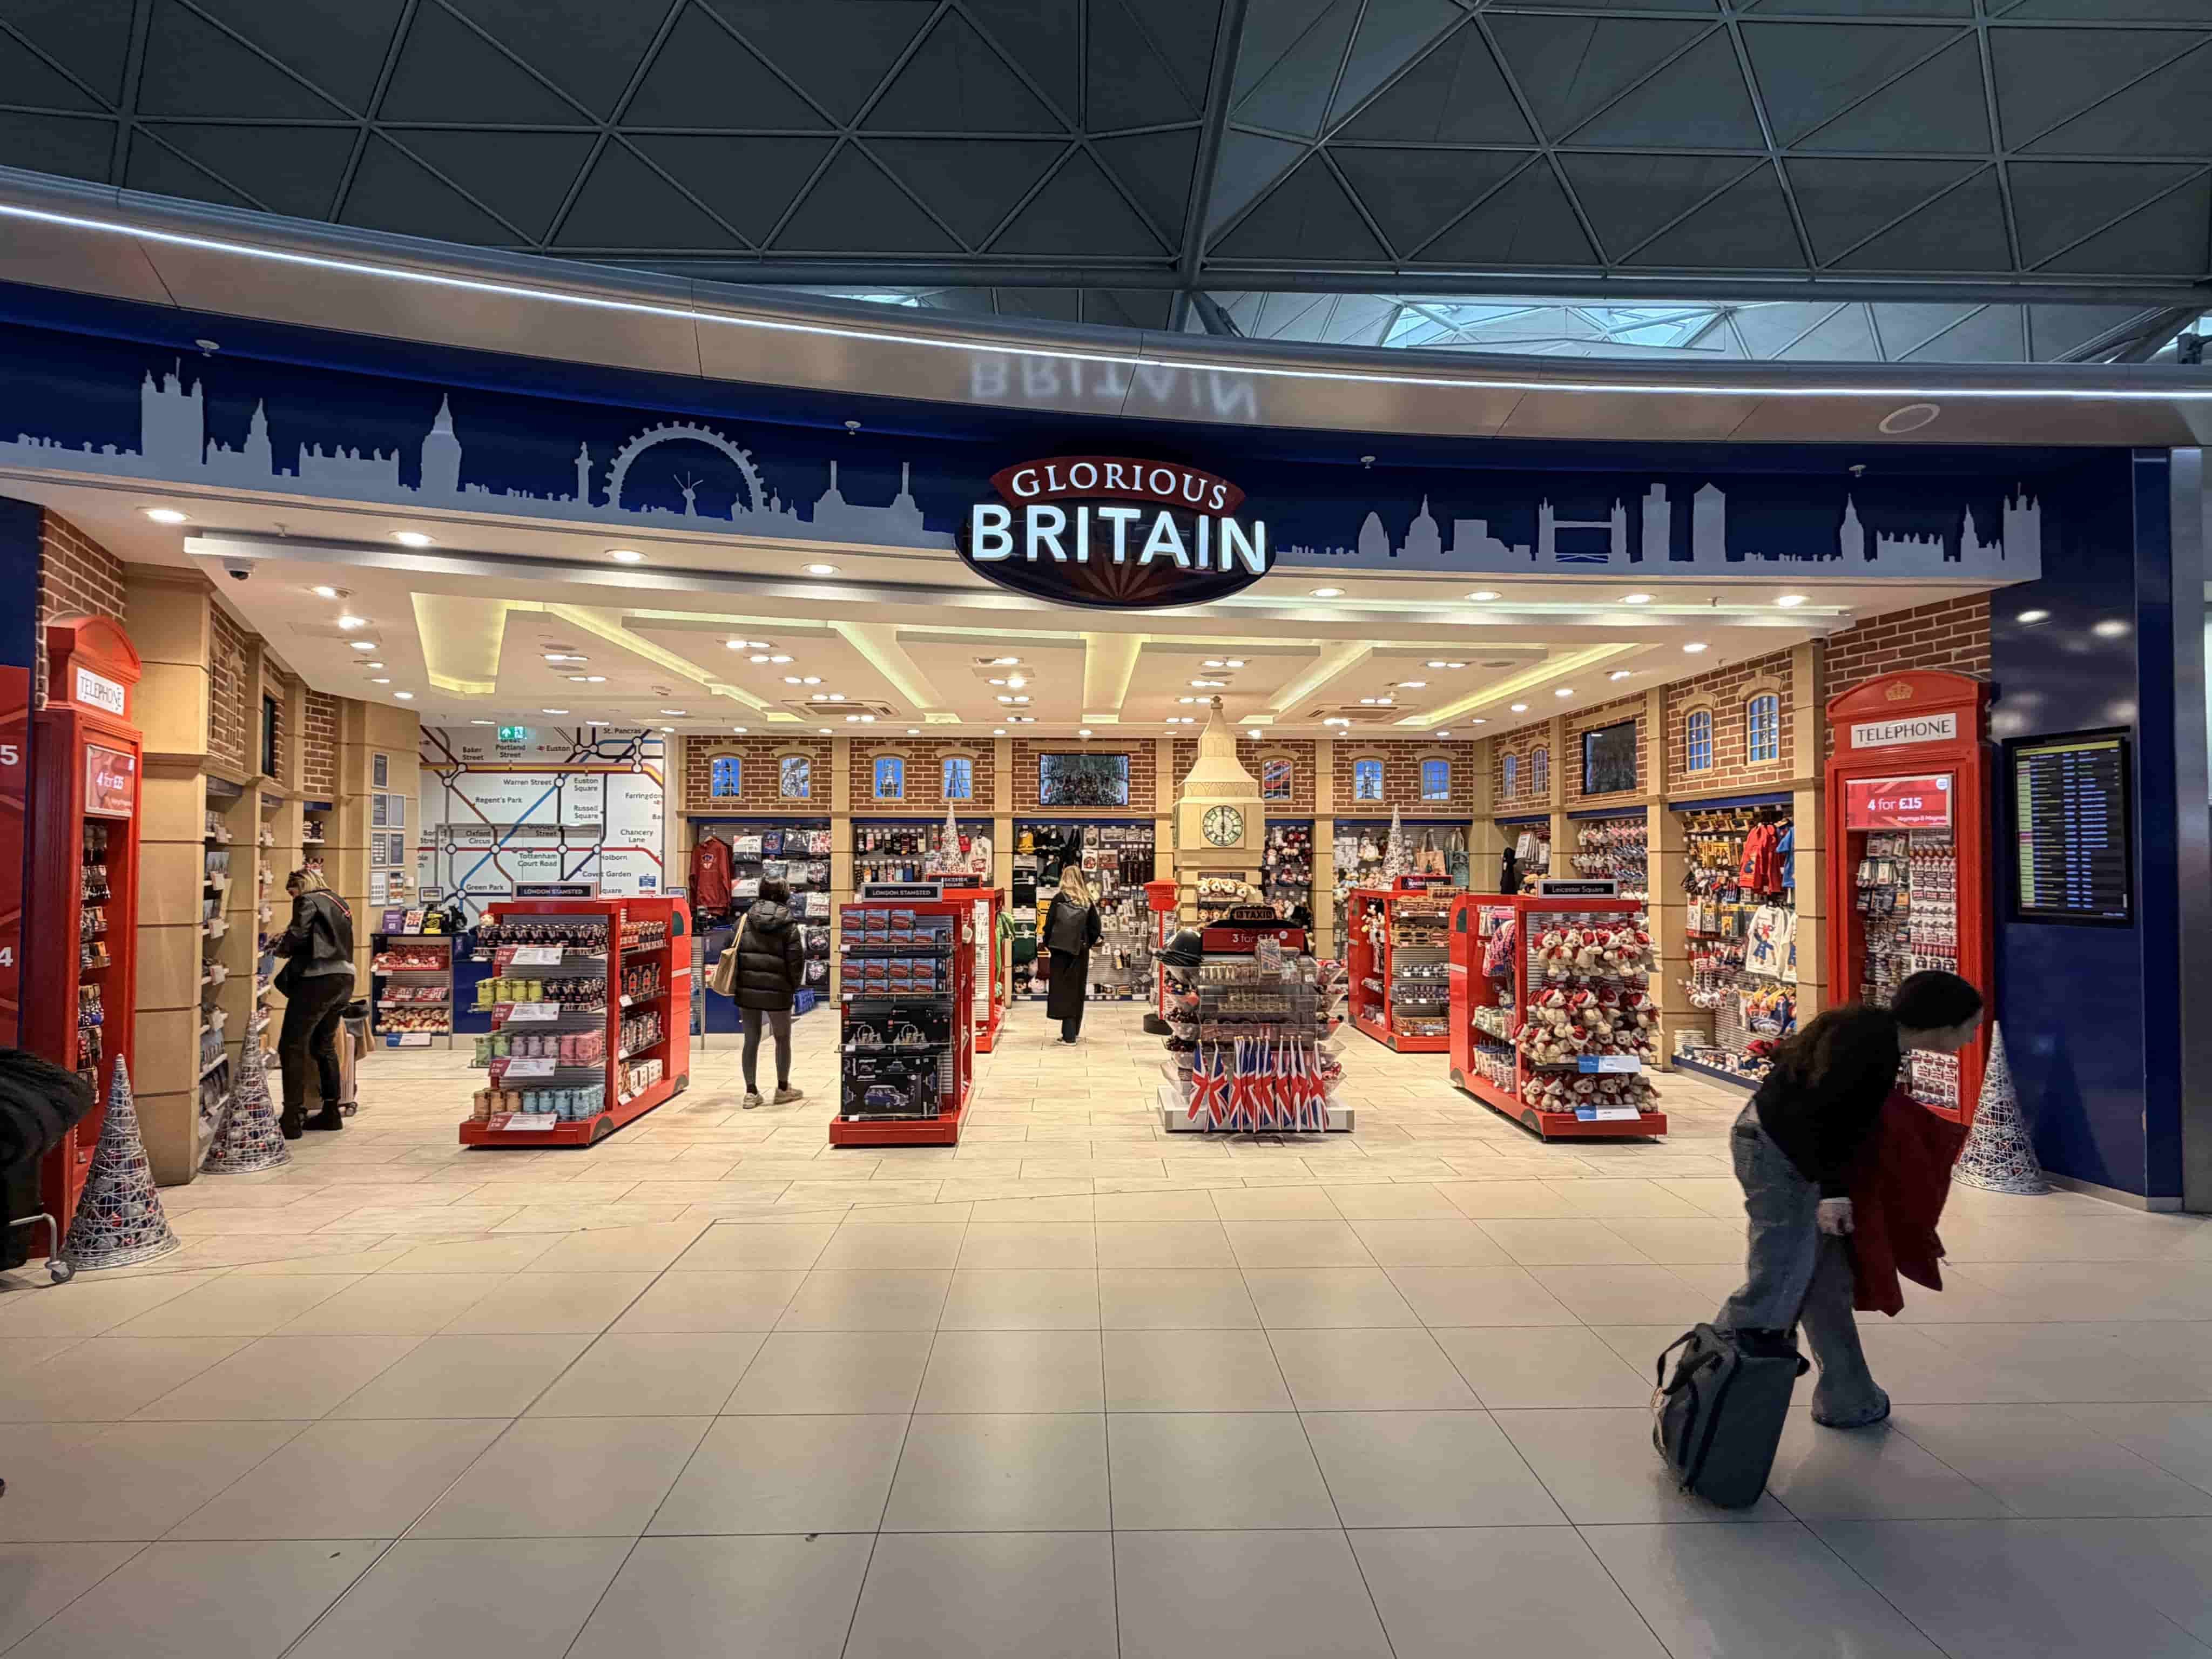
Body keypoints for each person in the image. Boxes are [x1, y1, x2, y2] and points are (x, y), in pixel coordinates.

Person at [1712, 969, 1984, 1429]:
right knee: (1778, 1281)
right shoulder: (1871, 1049)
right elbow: (1833, 1121)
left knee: (1824, 1279)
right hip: (1785, 1160)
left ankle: (1848, 1394)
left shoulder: (1865, 1031)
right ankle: (1714, 1388)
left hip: (1774, 1145)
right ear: (1944, 1023)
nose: (1973, 1037)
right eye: (1971, 1026)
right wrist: (1834, 1194)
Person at [272, 868, 355, 1138]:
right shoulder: (339, 901)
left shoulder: (307, 901)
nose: (292, 897)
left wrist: (279, 947)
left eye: (291, 892)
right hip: (344, 978)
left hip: (317, 979)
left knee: (291, 1045)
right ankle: (331, 1112)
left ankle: (292, 1118)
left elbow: (298, 935)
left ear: (300, 886)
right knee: (324, 1045)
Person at [721, 876, 805, 1110]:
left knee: (751, 1039)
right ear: (784, 894)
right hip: (779, 991)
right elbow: (796, 961)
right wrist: (792, 987)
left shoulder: (744, 920)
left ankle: (751, 1092)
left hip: (748, 989)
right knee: (782, 1038)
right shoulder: (788, 923)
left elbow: (730, 948)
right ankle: (782, 1088)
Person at [1040, 861, 1102, 1044]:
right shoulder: (1087, 900)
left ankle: (1068, 1037)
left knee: (1063, 990)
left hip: (1060, 951)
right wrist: (1086, 944)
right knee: (1077, 990)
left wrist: (1049, 944)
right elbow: (1096, 928)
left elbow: (1049, 925)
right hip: (1080, 951)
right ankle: (1073, 1031)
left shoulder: (1059, 899)